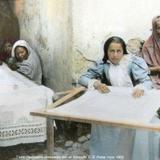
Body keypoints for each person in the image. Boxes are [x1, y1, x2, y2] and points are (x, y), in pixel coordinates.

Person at [78, 36, 152, 159]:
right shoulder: (102, 64)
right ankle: (108, 154)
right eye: (111, 51)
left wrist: (141, 88)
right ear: (106, 52)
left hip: (132, 101)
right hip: (113, 102)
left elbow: (147, 82)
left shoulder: (133, 63)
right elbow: (82, 78)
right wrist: (96, 83)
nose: (115, 55)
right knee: (103, 121)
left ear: (124, 51)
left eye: (119, 51)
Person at [142, 15, 160, 89]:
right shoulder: (147, 46)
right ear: (154, 29)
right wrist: (158, 69)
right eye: (159, 28)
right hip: (155, 78)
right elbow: (143, 70)